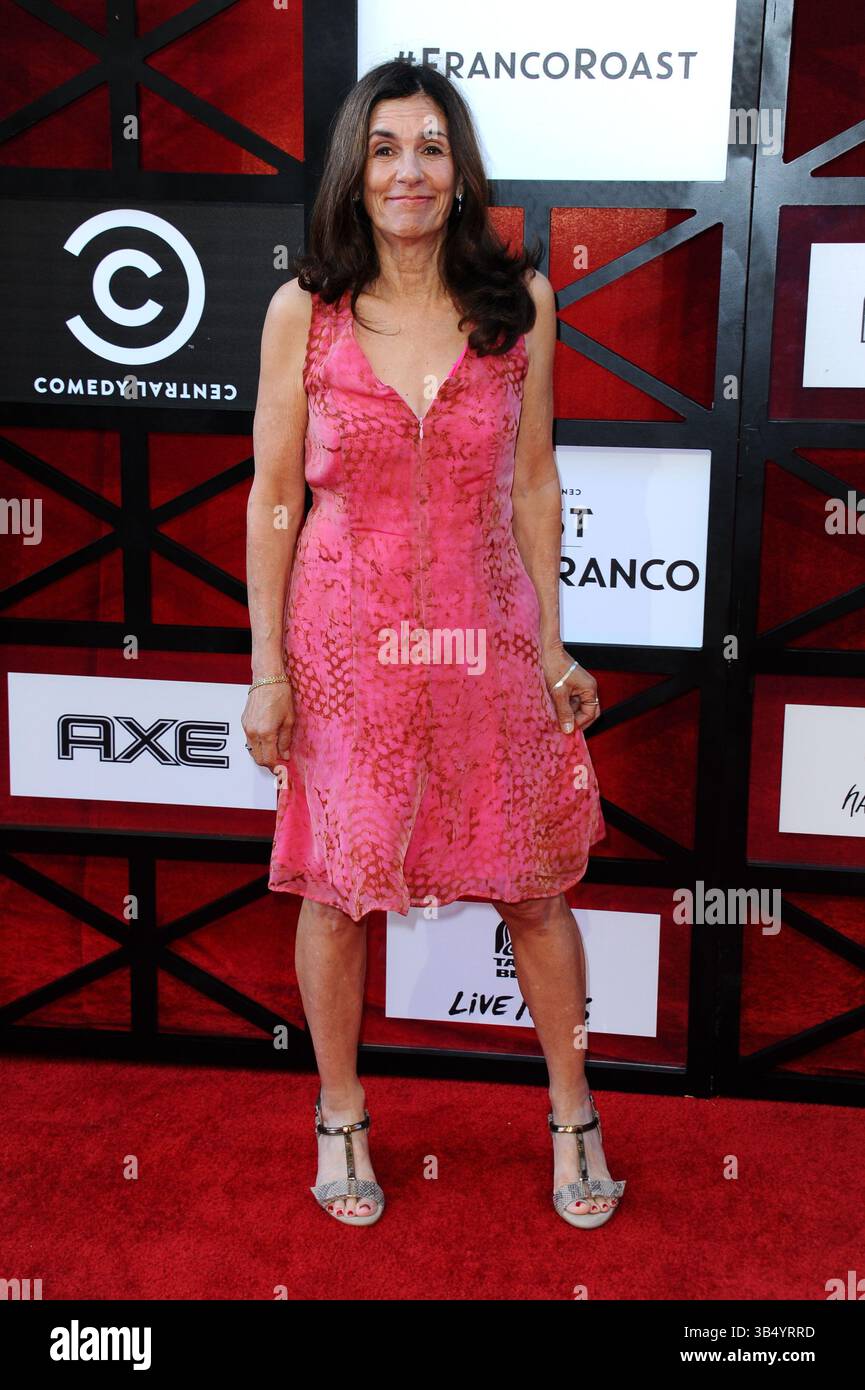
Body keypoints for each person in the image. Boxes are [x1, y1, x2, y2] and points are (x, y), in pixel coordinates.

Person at [243, 58, 624, 1230]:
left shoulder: (522, 305)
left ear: (461, 176)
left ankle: (573, 1114)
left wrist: (556, 647)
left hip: (486, 641)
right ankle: (341, 1112)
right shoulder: (302, 310)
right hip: (344, 651)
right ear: (355, 171)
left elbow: (533, 486)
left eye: (433, 147)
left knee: (539, 888)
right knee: (334, 891)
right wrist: (267, 669)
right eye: (387, 146)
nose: (408, 169)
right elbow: (271, 498)